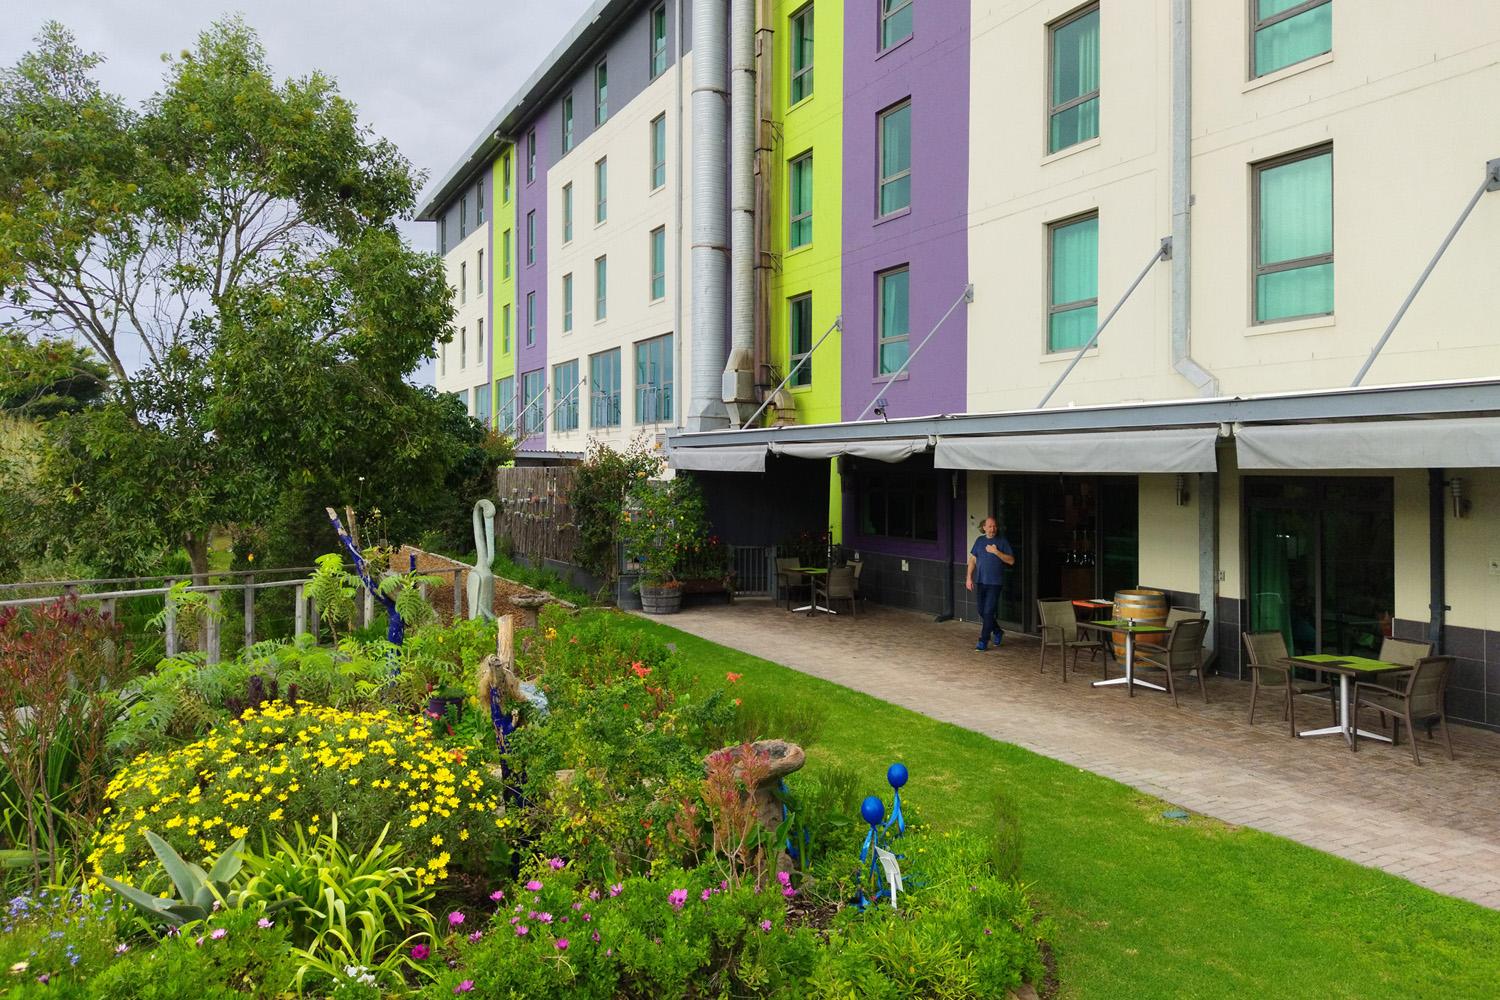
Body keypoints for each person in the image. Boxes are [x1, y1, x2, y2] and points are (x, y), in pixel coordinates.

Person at [966, 516, 1015, 651]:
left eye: (994, 526)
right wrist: (968, 577)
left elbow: (1011, 560)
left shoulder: (1002, 541)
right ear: (984, 528)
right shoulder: (979, 541)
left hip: (995, 583)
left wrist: (996, 552)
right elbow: (972, 560)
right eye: (990, 526)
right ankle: (998, 631)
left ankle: (983, 640)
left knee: (988, 612)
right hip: (981, 581)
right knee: (982, 611)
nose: (993, 529)